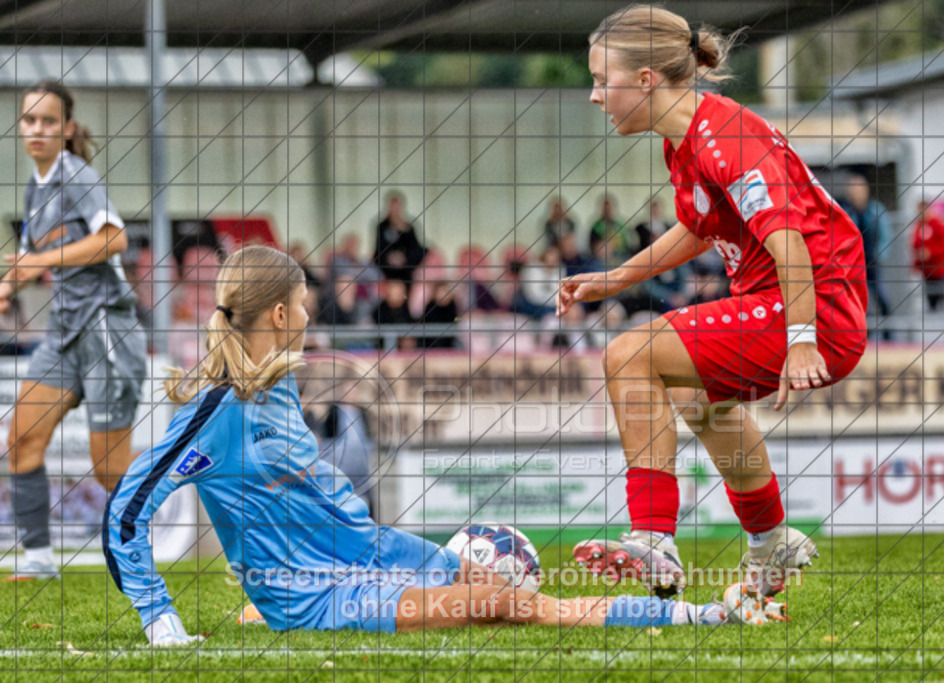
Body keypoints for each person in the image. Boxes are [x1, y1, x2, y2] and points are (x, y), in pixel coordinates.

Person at [102, 246, 776, 647]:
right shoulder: (215, 409)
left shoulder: (275, 384)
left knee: (510, 591)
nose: (310, 316)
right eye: (304, 304)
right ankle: (716, 613)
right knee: (509, 604)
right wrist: (161, 617)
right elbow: (127, 512)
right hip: (323, 599)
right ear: (279, 314)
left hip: (376, 552)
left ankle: (704, 611)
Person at [559, 6, 867, 605]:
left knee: (630, 353)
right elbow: (702, 228)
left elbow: (791, 246)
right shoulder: (688, 139)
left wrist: (802, 337)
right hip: (786, 301)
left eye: (603, 80)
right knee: (696, 399)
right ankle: (770, 538)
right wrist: (617, 277)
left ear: (647, 80)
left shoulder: (727, 139)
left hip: (811, 307)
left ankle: (653, 537)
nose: (595, 96)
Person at [0, 80, 146, 581]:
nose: (36, 129)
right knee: (21, 438)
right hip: (64, 333)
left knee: (109, 469)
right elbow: (35, 263)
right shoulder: (34, 188)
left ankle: (145, 549)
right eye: (28, 120)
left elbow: (115, 239)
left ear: (66, 129)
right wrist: (9, 281)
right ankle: (39, 561)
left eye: (47, 121)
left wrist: (37, 259)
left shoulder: (78, 176)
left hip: (107, 329)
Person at [841, 175, 892, 338]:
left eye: (859, 188)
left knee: (882, 298)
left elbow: (886, 236)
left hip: (872, 262)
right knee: (859, 302)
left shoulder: (876, 210)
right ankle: (863, 336)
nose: (856, 193)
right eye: (853, 189)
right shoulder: (846, 212)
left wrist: (880, 255)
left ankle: (888, 335)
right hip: (854, 265)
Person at [911, 201, 944, 313]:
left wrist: (930, 253)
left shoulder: (938, 225)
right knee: (932, 304)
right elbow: (916, 248)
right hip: (929, 274)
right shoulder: (918, 227)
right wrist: (916, 265)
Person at [373, 191, 425, 285]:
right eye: (392, 207)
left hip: (407, 265)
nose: (395, 210)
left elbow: (416, 249)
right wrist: (389, 257)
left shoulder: (409, 227)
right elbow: (379, 249)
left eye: (397, 207)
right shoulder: (382, 226)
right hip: (387, 265)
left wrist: (404, 257)